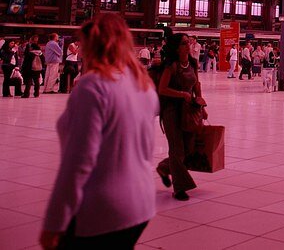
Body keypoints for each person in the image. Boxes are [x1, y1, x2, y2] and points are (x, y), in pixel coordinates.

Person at [40, 13, 159, 250]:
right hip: (142, 203)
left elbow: (78, 162)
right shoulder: (143, 84)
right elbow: (146, 149)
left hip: (104, 207)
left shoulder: (92, 86)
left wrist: (54, 222)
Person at [156, 33, 205, 201]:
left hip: (189, 109)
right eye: (184, 43)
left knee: (189, 148)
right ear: (176, 47)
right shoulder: (172, 66)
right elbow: (162, 89)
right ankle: (179, 188)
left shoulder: (192, 63)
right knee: (177, 148)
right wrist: (181, 94)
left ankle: (164, 167)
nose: (188, 45)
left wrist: (201, 104)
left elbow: (197, 84)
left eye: (188, 42)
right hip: (172, 111)